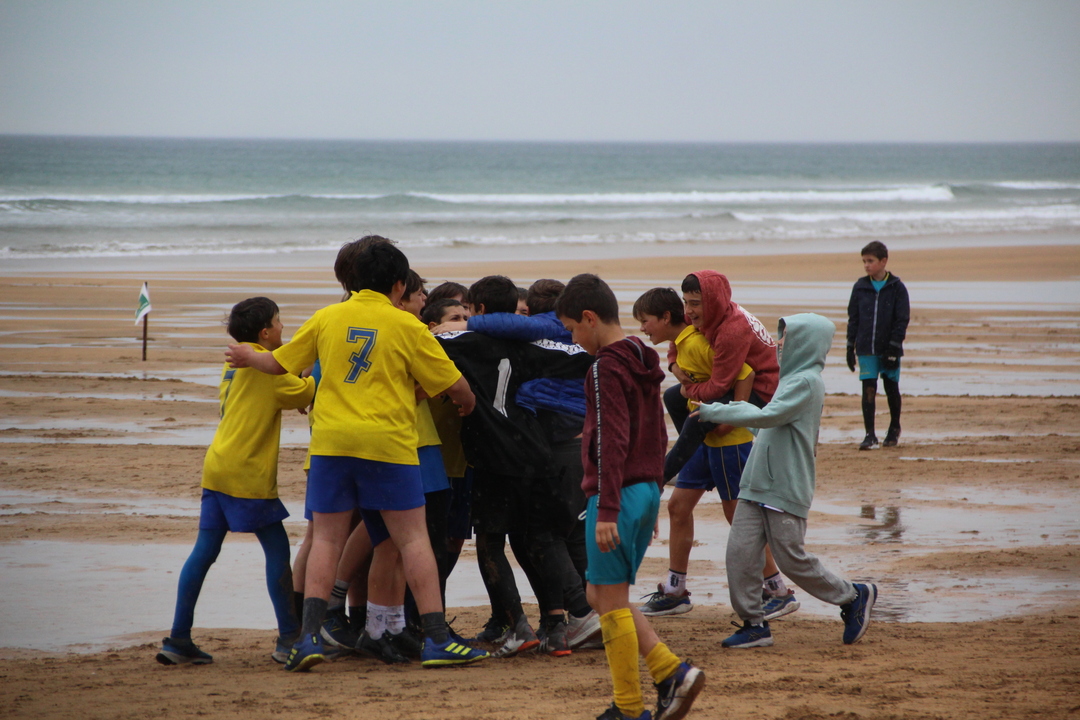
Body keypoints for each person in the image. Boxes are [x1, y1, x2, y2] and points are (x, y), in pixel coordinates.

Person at [225, 237, 488, 671]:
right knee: (413, 539)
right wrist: (467, 402)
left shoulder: (328, 317)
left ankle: (308, 637)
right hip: (387, 444)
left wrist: (247, 357)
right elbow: (452, 383)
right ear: (399, 285)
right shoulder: (407, 326)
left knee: (327, 539)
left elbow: (279, 364)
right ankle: (437, 639)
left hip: (331, 445)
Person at [556, 274, 704, 720]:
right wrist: (651, 493)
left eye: (572, 330)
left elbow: (610, 439)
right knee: (601, 594)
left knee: (608, 599)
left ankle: (630, 703)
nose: (573, 340)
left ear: (589, 318)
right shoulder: (642, 355)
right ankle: (668, 672)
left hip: (616, 494)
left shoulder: (604, 367)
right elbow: (656, 433)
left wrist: (607, 508)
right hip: (641, 491)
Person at [695, 313, 878, 650]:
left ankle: (853, 596)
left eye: (785, 337)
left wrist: (716, 411)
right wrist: (737, 419)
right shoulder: (790, 380)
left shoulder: (807, 382)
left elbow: (770, 416)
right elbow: (766, 426)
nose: (778, 343)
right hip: (755, 484)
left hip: (785, 486)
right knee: (739, 555)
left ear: (805, 343)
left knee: (792, 558)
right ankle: (754, 625)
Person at [436, 276, 595, 657]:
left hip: (493, 455)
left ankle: (520, 627)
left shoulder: (463, 340)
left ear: (479, 310)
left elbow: (418, 342)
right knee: (534, 538)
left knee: (491, 542)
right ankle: (556, 627)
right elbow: (580, 355)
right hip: (535, 451)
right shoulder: (533, 343)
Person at [157, 297, 315, 666]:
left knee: (204, 552)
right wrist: (318, 367)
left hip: (217, 465)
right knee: (277, 550)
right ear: (265, 333)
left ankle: (178, 638)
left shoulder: (234, 365)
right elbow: (306, 393)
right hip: (247, 472)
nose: (283, 327)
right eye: (279, 322)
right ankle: (288, 638)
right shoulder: (265, 369)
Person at [632, 288, 798, 622]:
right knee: (678, 508)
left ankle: (778, 591)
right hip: (705, 439)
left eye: (645, 321)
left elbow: (745, 373)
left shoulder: (698, 343)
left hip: (729, 441)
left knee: (737, 515)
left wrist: (731, 418)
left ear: (665, 318)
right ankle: (676, 591)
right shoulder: (684, 342)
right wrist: (678, 372)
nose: (641, 328)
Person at [662, 271, 779, 482]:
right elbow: (678, 336)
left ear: (713, 301)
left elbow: (719, 387)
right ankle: (697, 455)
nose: (688, 311)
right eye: (685, 302)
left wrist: (689, 390)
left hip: (761, 389)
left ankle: (658, 478)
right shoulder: (704, 311)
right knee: (672, 398)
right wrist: (673, 365)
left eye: (694, 304)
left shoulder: (731, 331)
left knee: (697, 419)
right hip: (734, 377)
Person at [846, 241, 910, 450]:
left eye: (870, 261)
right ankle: (870, 434)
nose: (866, 265)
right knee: (868, 389)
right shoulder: (860, 287)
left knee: (891, 388)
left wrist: (894, 347)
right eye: (864, 261)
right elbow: (853, 319)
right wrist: (850, 346)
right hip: (866, 348)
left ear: (883, 261)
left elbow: (902, 320)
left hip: (889, 349)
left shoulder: (897, 287)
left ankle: (894, 428)